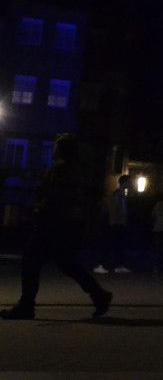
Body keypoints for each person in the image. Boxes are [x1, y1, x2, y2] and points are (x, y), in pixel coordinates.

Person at [2, 134, 113, 320]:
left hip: (52, 223)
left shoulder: (60, 170)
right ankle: (99, 295)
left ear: (61, 150)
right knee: (67, 263)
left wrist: (40, 207)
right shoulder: (77, 171)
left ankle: (26, 306)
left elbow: (54, 197)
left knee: (31, 262)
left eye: (56, 147)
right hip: (67, 223)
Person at [93, 174, 131, 274]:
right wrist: (113, 221)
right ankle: (102, 264)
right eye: (129, 182)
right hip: (116, 223)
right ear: (125, 182)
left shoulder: (121, 193)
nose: (130, 184)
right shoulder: (118, 193)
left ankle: (117, 265)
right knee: (112, 244)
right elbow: (114, 208)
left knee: (116, 244)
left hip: (118, 222)